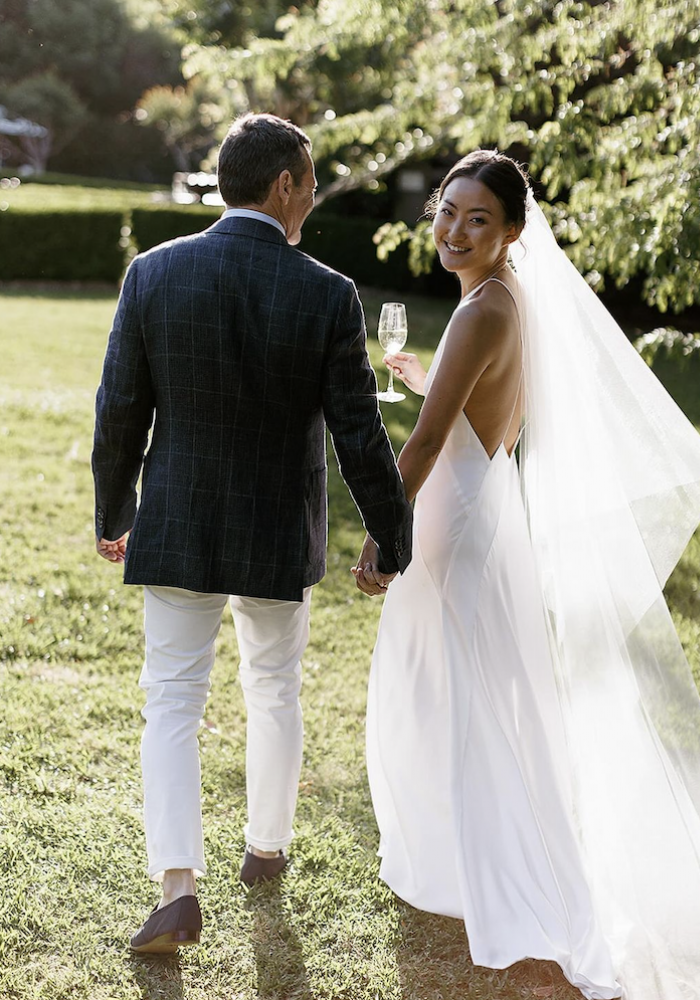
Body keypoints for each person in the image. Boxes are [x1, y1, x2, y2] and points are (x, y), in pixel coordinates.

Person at [356, 150, 700, 999]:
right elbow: (478, 412)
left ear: (512, 233)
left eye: (479, 220)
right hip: (482, 505)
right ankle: (468, 861)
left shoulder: (478, 312)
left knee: (455, 694)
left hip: (453, 517)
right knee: (462, 686)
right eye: (448, 212)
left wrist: (385, 535)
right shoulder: (507, 303)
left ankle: (502, 875)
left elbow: (425, 444)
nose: (455, 231)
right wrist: (423, 380)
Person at [92, 112, 413, 954]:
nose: (311, 197)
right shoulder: (327, 292)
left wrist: (113, 511)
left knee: (171, 699)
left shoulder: (153, 273)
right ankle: (264, 848)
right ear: (282, 186)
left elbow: (119, 406)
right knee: (274, 686)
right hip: (275, 526)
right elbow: (358, 434)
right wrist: (391, 534)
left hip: (179, 518)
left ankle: (176, 888)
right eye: (309, 183)